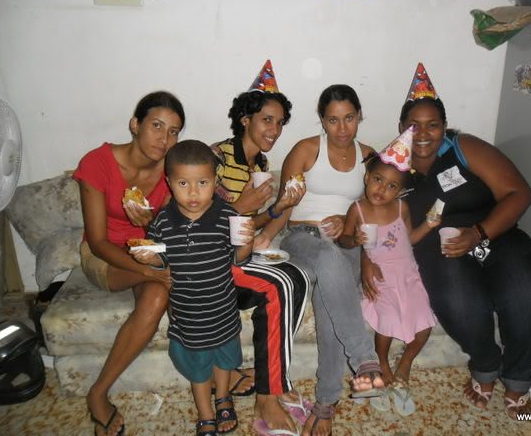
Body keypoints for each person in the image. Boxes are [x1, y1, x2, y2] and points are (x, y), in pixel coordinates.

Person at [361, 63, 531, 420]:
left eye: (433, 124)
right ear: (401, 127)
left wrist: (479, 233)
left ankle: (518, 378)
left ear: (444, 126)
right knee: (459, 301)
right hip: (438, 250)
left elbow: (519, 193)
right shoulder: (394, 166)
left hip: (495, 235)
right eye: (413, 125)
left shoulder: (464, 147)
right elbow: (370, 213)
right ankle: (486, 366)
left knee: (529, 293)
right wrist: (366, 258)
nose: (423, 133)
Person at [74, 91, 185, 436]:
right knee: (164, 281)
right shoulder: (97, 163)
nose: (164, 139)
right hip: (104, 255)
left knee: (160, 294)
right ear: (135, 125)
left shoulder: (170, 171)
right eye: (156, 126)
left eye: (173, 131)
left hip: (147, 249)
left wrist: (150, 225)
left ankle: (98, 391)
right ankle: (98, 396)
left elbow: (166, 235)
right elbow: (97, 241)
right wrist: (149, 270)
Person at [279, 84, 385, 436]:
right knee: (326, 255)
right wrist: (265, 236)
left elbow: (376, 208)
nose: (342, 128)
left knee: (329, 309)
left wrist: (348, 220)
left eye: (349, 118)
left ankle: (325, 404)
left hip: (348, 243)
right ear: (322, 120)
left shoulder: (369, 156)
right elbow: (285, 205)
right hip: (304, 238)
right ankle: (364, 359)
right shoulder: (306, 149)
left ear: (359, 116)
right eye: (333, 120)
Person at [211, 61, 311, 435]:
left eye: (280, 122)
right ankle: (266, 398)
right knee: (278, 286)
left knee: (299, 277)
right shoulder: (216, 157)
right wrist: (242, 206)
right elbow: (196, 221)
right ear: (245, 119)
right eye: (267, 120)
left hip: (239, 255)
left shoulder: (261, 163)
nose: (275, 130)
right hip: (210, 263)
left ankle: (274, 379)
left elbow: (252, 221)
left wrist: (280, 207)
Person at [132, 140, 255, 436]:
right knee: (199, 370)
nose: (193, 193)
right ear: (169, 183)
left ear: (215, 181)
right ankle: (205, 412)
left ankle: (223, 397)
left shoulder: (227, 217)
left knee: (224, 361)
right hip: (188, 315)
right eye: (183, 183)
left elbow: (238, 259)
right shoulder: (163, 222)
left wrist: (246, 242)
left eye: (202, 183)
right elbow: (161, 261)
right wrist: (149, 257)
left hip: (222, 311)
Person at [338, 127, 438, 416]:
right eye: (378, 180)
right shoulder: (357, 210)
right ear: (367, 177)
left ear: (400, 191)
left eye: (392, 186)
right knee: (387, 321)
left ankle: (405, 363)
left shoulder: (402, 208)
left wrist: (429, 225)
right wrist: (354, 240)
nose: (382, 189)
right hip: (380, 275)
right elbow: (343, 239)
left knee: (424, 324)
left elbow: (410, 239)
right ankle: (381, 362)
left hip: (408, 274)